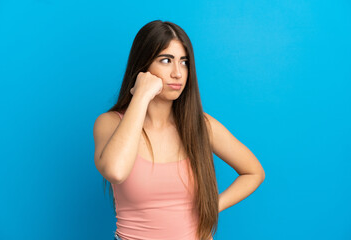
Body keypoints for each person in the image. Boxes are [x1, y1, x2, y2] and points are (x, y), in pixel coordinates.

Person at [93, 20, 265, 240]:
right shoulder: (110, 123)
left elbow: (254, 172)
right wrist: (142, 96)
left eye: (184, 62)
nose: (178, 73)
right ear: (143, 66)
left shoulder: (200, 125)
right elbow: (115, 172)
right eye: (166, 60)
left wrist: (210, 209)